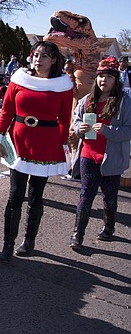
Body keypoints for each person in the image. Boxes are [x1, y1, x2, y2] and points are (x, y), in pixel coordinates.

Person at [0, 41, 74, 262]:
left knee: (36, 196)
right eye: (36, 55)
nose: (39, 59)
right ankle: (7, 243)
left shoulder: (63, 85)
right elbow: (7, 110)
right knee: (15, 195)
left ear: (54, 60)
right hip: (18, 141)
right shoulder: (19, 79)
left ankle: (29, 240)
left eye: (45, 56)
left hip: (45, 144)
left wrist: (64, 147)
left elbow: (65, 120)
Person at [68, 57, 131, 249]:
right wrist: (80, 128)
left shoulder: (125, 102)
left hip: (111, 157)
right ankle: (77, 235)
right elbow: (76, 121)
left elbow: (129, 130)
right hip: (89, 154)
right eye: (101, 76)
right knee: (86, 194)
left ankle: (108, 227)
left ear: (116, 80)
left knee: (109, 196)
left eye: (109, 77)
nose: (104, 80)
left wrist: (107, 131)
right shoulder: (88, 100)